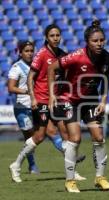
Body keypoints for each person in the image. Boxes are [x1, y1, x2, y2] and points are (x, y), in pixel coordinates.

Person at [9, 24, 85, 183]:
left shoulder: (62, 55)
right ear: (46, 37)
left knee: (66, 133)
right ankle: (16, 165)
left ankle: (71, 172)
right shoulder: (41, 54)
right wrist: (33, 98)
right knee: (40, 136)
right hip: (42, 99)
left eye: (58, 35)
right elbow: (31, 77)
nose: (55, 38)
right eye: (52, 35)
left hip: (56, 100)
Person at [48, 20, 109, 193]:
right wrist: (52, 95)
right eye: (95, 41)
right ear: (87, 42)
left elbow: (106, 80)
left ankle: (100, 178)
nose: (99, 44)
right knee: (75, 138)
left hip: (90, 100)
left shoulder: (108, 59)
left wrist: (103, 100)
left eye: (102, 40)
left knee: (99, 137)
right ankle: (70, 181)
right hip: (70, 99)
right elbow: (52, 67)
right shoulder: (76, 56)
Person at [7, 41, 39, 174]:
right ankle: (31, 165)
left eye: (32, 50)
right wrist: (28, 92)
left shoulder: (36, 66)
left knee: (43, 134)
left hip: (36, 105)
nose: (30, 53)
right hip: (23, 107)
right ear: (20, 53)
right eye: (27, 51)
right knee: (31, 137)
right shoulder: (17, 67)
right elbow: (11, 88)